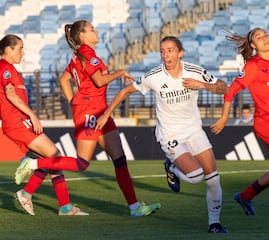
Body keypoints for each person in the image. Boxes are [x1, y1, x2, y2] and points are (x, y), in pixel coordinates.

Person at [15, 20, 160, 217]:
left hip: (100, 111)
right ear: (82, 35)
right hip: (90, 112)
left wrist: (72, 100)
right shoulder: (87, 54)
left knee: (119, 158)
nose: (96, 30)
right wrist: (121, 73)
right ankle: (33, 164)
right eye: (92, 29)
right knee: (82, 163)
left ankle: (135, 208)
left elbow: (64, 79)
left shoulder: (80, 55)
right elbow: (99, 80)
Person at [95, 36, 230, 234]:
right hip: (170, 134)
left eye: (170, 50)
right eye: (162, 51)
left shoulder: (194, 71)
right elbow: (125, 92)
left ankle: (214, 224)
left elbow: (224, 87)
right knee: (195, 176)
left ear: (180, 52)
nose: (166, 55)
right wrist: (107, 113)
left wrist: (203, 85)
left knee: (213, 179)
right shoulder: (154, 76)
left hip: (193, 130)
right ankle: (172, 168)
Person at [211, 28, 269, 218]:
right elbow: (230, 91)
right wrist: (224, 117)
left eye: (265, 35)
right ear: (253, 45)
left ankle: (245, 197)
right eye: (258, 37)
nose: (264, 39)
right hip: (267, 122)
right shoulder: (253, 65)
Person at [0, 34, 88, 216]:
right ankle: (30, 178)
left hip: (18, 122)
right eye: (20, 48)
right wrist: (33, 115)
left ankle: (52, 201)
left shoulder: (7, 68)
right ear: (8, 49)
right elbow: (10, 94)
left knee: (50, 159)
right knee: (54, 155)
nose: (23, 52)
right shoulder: (4, 67)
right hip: (18, 122)